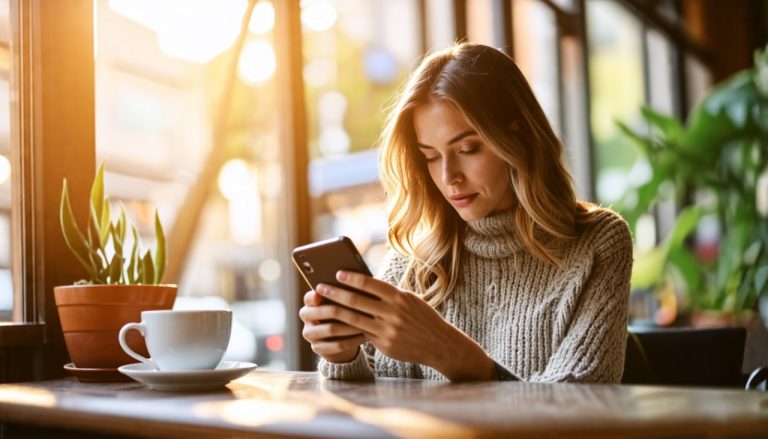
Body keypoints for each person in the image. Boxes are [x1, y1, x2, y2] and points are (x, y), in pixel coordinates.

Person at [298, 42, 633, 383]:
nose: (449, 177)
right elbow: (375, 403)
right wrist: (343, 354)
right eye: (430, 156)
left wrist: (447, 352)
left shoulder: (597, 243)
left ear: (517, 136)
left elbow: (580, 415)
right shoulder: (413, 259)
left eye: (468, 148)